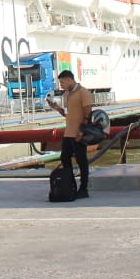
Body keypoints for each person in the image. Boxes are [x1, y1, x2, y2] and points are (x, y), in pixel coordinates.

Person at [47, 70, 94, 199]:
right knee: (64, 157)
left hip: (79, 132)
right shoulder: (67, 94)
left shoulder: (83, 92)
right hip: (69, 133)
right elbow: (67, 114)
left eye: (62, 82)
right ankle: (71, 184)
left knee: (81, 160)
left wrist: (82, 130)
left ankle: (83, 188)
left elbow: (88, 113)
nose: (61, 85)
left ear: (69, 79)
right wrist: (56, 108)